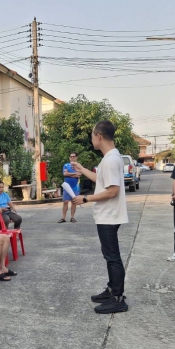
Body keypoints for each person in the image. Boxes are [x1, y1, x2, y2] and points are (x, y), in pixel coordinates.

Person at [72, 120, 129, 314]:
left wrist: (85, 198)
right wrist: (82, 170)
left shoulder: (111, 160)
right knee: (109, 256)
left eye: (92, 136)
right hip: (107, 215)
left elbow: (112, 191)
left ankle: (118, 298)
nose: (91, 140)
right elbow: (101, 180)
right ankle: (112, 290)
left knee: (112, 257)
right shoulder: (110, 157)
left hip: (109, 216)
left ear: (98, 136)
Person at [60, 152, 81, 223]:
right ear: (69, 158)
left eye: (73, 156)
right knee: (65, 202)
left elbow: (79, 175)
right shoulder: (66, 165)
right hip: (67, 186)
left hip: (75, 186)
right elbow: (65, 173)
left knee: (74, 202)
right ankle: (63, 218)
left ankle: (72, 217)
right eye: (71, 156)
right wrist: (75, 173)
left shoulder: (78, 166)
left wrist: (69, 174)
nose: (72, 158)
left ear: (76, 157)